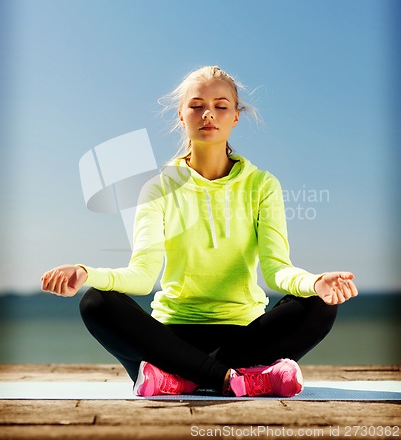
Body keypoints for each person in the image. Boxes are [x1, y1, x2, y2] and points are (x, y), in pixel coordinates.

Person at [41, 65, 358, 398]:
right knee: (95, 302)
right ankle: (235, 378)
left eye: (221, 106)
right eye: (196, 105)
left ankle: (183, 379)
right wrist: (85, 272)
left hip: (244, 335)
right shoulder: (157, 188)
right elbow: (142, 276)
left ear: (236, 117)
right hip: (170, 340)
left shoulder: (262, 185)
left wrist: (315, 282)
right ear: (181, 115)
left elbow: (277, 270)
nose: (209, 114)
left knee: (320, 305)